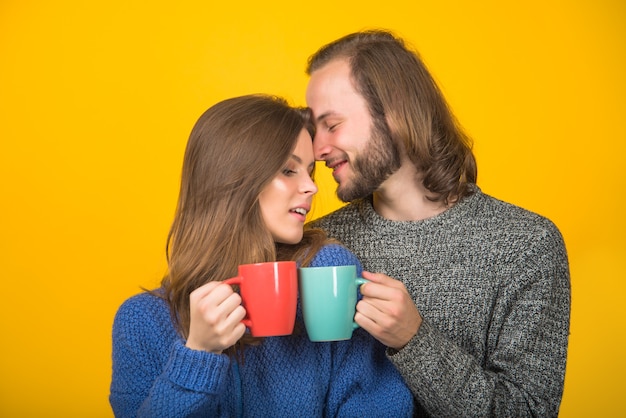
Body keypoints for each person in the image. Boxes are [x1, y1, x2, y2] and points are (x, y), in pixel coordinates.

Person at [305, 29, 571, 417]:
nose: (317, 149)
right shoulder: (320, 243)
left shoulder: (526, 246)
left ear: (394, 114)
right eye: (314, 130)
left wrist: (415, 340)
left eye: (332, 124)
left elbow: (527, 412)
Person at [109, 94, 414, 417]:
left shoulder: (326, 276)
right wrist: (198, 354)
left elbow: (375, 402)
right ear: (232, 180)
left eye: (310, 171)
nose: (312, 187)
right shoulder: (141, 321)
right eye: (288, 170)